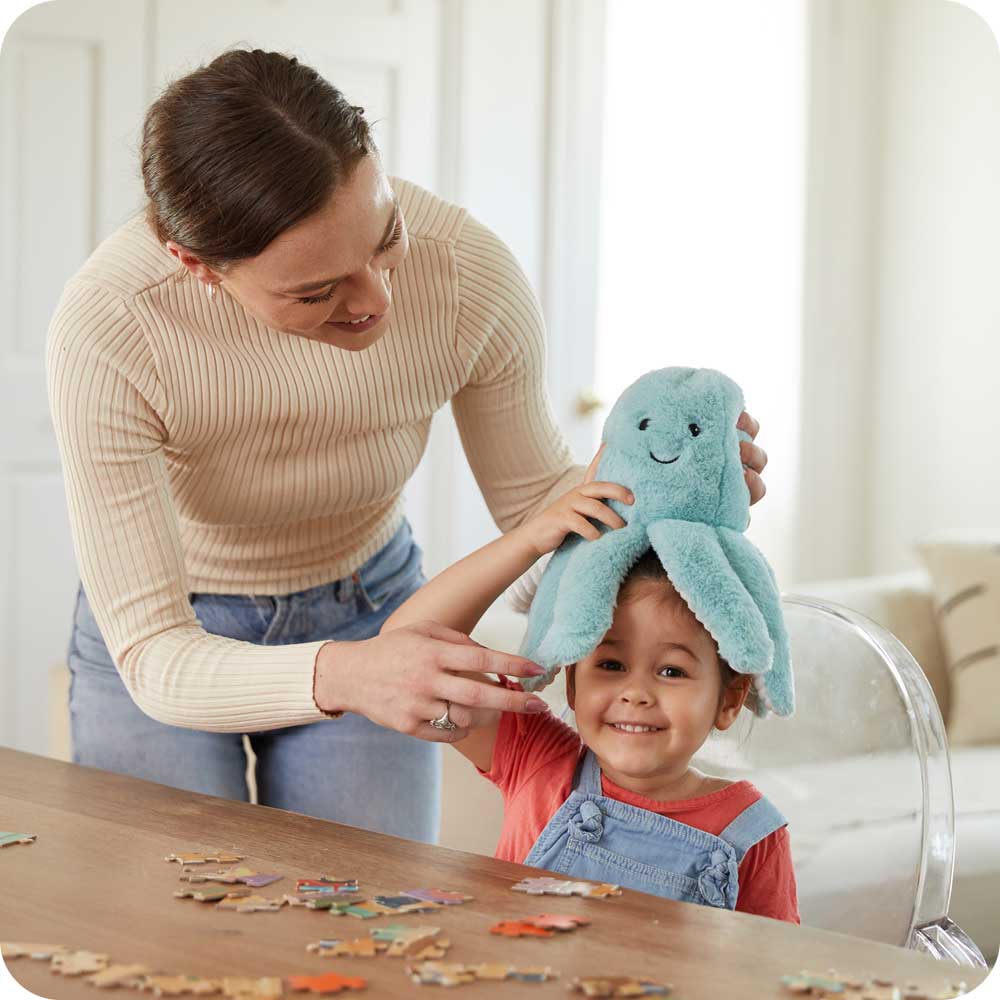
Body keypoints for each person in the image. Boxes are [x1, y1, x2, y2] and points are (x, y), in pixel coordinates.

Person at [46, 48, 768, 843]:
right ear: (196, 266)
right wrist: (346, 672)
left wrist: (662, 495)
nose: (377, 300)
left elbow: (540, 509)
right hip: (180, 632)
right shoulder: (111, 329)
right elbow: (156, 654)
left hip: (373, 602)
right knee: (164, 909)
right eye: (316, 291)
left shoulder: (464, 269)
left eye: (386, 239)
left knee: (366, 905)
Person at [382, 472, 798, 921]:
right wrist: (528, 541)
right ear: (573, 684)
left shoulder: (753, 833)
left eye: (671, 671)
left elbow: (772, 960)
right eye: (611, 665)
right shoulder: (536, 757)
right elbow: (404, 645)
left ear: (729, 701)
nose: (636, 693)